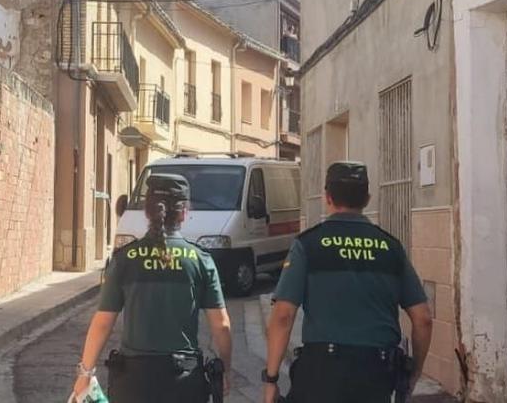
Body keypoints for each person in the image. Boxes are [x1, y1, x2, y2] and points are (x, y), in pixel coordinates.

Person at [263, 161, 433, 403]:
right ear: (367, 199)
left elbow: (283, 316)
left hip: (322, 374)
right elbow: (423, 319)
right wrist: (413, 374)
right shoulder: (391, 247)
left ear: (327, 197)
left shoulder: (308, 245)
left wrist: (270, 380)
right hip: (377, 374)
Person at [72, 173, 232, 403]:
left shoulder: (124, 259)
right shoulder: (200, 260)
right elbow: (221, 325)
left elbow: (103, 323)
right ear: (185, 213)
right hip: (184, 383)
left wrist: (85, 374)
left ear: (148, 211)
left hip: (133, 383)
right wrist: (225, 369)